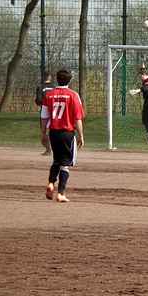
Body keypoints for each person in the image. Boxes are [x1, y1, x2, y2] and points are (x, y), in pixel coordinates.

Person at [40, 69, 85, 203]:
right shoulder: (73, 95)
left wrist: (43, 133)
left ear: (57, 79)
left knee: (56, 160)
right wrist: (81, 135)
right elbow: (77, 118)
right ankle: (60, 193)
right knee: (65, 164)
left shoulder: (49, 95)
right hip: (67, 133)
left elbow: (44, 116)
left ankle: (50, 183)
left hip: (53, 133)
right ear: (69, 80)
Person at [35, 71, 54, 155]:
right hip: (55, 110)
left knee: (44, 131)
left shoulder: (40, 87)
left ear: (43, 78)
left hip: (44, 110)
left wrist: (39, 103)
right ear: (50, 78)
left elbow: (38, 100)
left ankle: (48, 149)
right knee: (53, 130)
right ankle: (55, 149)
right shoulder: (55, 87)